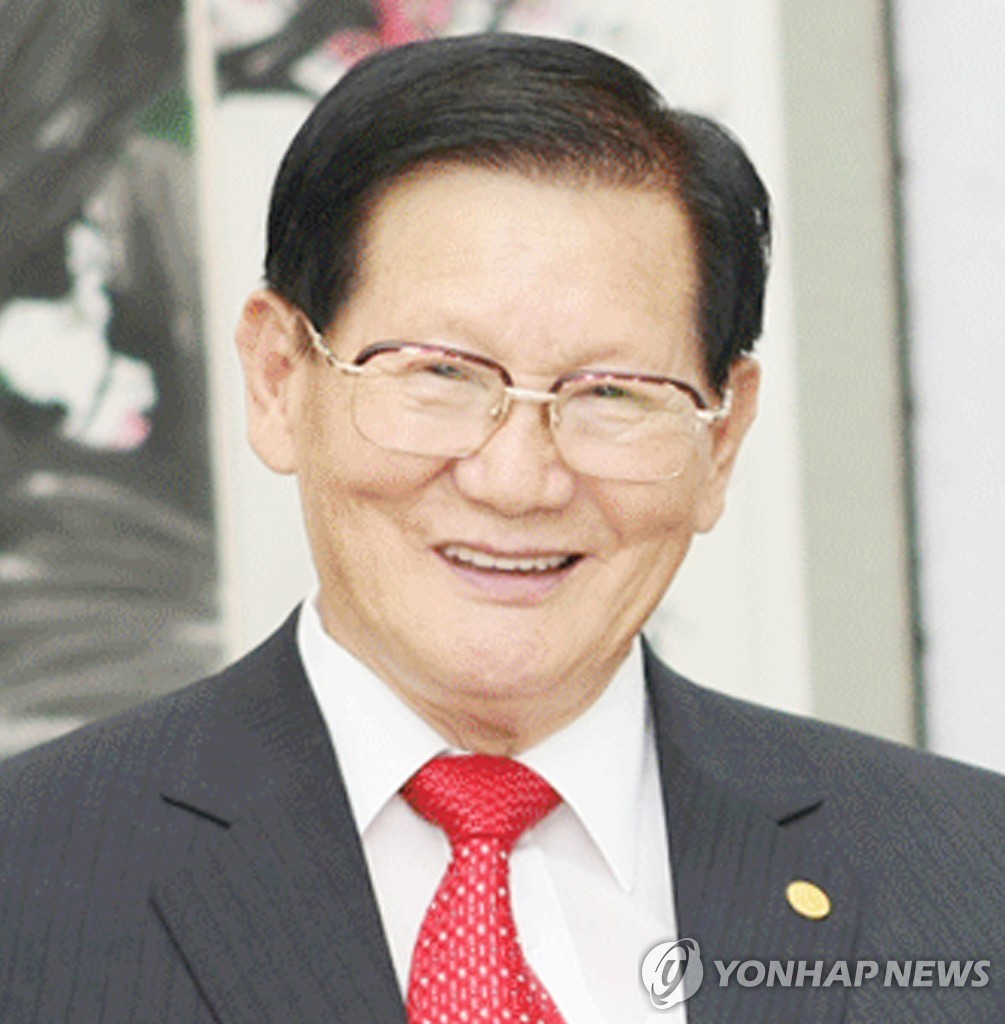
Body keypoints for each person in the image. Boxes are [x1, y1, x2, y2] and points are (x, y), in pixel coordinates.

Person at [1, 32, 1002, 1024]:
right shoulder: (29, 884)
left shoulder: (968, 880)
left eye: (612, 392)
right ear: (279, 381)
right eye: (439, 373)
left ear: (722, 438)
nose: (518, 481)